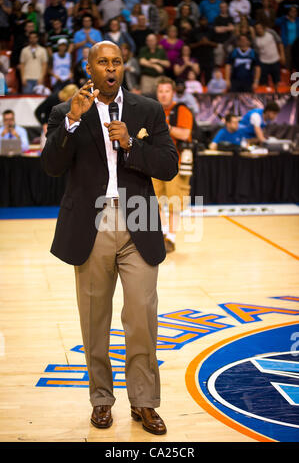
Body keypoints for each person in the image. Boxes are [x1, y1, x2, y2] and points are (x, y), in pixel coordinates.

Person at [41, 40, 178, 435]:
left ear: (124, 66)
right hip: (91, 224)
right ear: (89, 67)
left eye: (117, 61)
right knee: (94, 321)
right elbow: (51, 167)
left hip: (139, 223)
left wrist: (132, 144)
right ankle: (101, 399)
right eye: (103, 62)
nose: (111, 67)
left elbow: (168, 166)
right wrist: (70, 123)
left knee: (141, 318)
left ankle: (144, 403)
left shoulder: (147, 109)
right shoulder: (66, 111)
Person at [153, 75, 193, 253]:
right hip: (155, 162)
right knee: (157, 201)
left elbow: (185, 134)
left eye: (166, 91)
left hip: (175, 162)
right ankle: (162, 235)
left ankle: (172, 237)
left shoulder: (181, 110)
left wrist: (165, 126)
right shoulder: (152, 110)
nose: (163, 95)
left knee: (174, 202)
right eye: (160, 91)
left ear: (173, 93)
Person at [254, 22, 285, 91]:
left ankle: (277, 96)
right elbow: (257, 53)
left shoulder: (271, 33)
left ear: (263, 28)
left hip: (275, 61)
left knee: (276, 82)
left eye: (260, 28)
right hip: (264, 63)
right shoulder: (256, 40)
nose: (259, 30)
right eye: (257, 29)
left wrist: (282, 55)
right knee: (263, 83)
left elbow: (279, 42)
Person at [189, 16, 217, 85]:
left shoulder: (211, 30)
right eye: (202, 20)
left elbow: (216, 44)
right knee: (197, 77)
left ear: (207, 21)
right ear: (199, 22)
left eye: (205, 20)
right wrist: (200, 43)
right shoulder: (194, 31)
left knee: (209, 78)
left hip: (209, 57)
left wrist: (208, 43)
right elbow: (190, 45)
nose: (203, 22)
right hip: (197, 57)